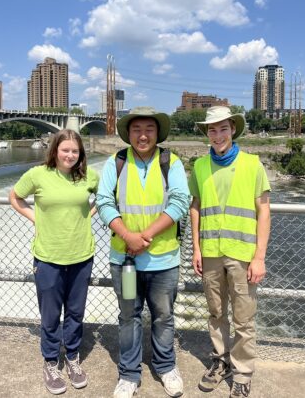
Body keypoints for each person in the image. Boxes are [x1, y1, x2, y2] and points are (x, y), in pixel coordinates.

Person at [96, 107, 190, 398]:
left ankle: (165, 367)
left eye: (149, 128)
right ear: (129, 133)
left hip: (164, 260)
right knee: (129, 316)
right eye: (136, 129)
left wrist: (144, 236)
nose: (143, 135)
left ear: (157, 132)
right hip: (125, 261)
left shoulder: (170, 162)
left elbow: (180, 202)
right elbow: (103, 202)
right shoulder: (117, 162)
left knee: (163, 316)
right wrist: (127, 236)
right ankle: (129, 373)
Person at [9, 129, 99, 395]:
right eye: (65, 150)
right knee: (50, 315)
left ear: (80, 153)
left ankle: (72, 357)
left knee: (75, 312)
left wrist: (89, 215)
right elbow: (14, 197)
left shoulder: (87, 176)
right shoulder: (38, 175)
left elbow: (107, 196)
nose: (70, 155)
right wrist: (35, 218)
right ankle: (51, 361)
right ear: (55, 150)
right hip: (48, 256)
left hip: (82, 255)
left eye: (75, 151)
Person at [189, 106, 271, 398]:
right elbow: (195, 207)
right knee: (215, 313)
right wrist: (196, 248)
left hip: (242, 254)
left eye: (223, 128)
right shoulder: (199, 166)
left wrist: (259, 257)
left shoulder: (253, 164)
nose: (218, 134)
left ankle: (243, 373)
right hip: (210, 251)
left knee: (243, 318)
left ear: (233, 129)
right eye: (212, 129)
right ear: (206, 133)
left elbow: (264, 210)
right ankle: (220, 362)